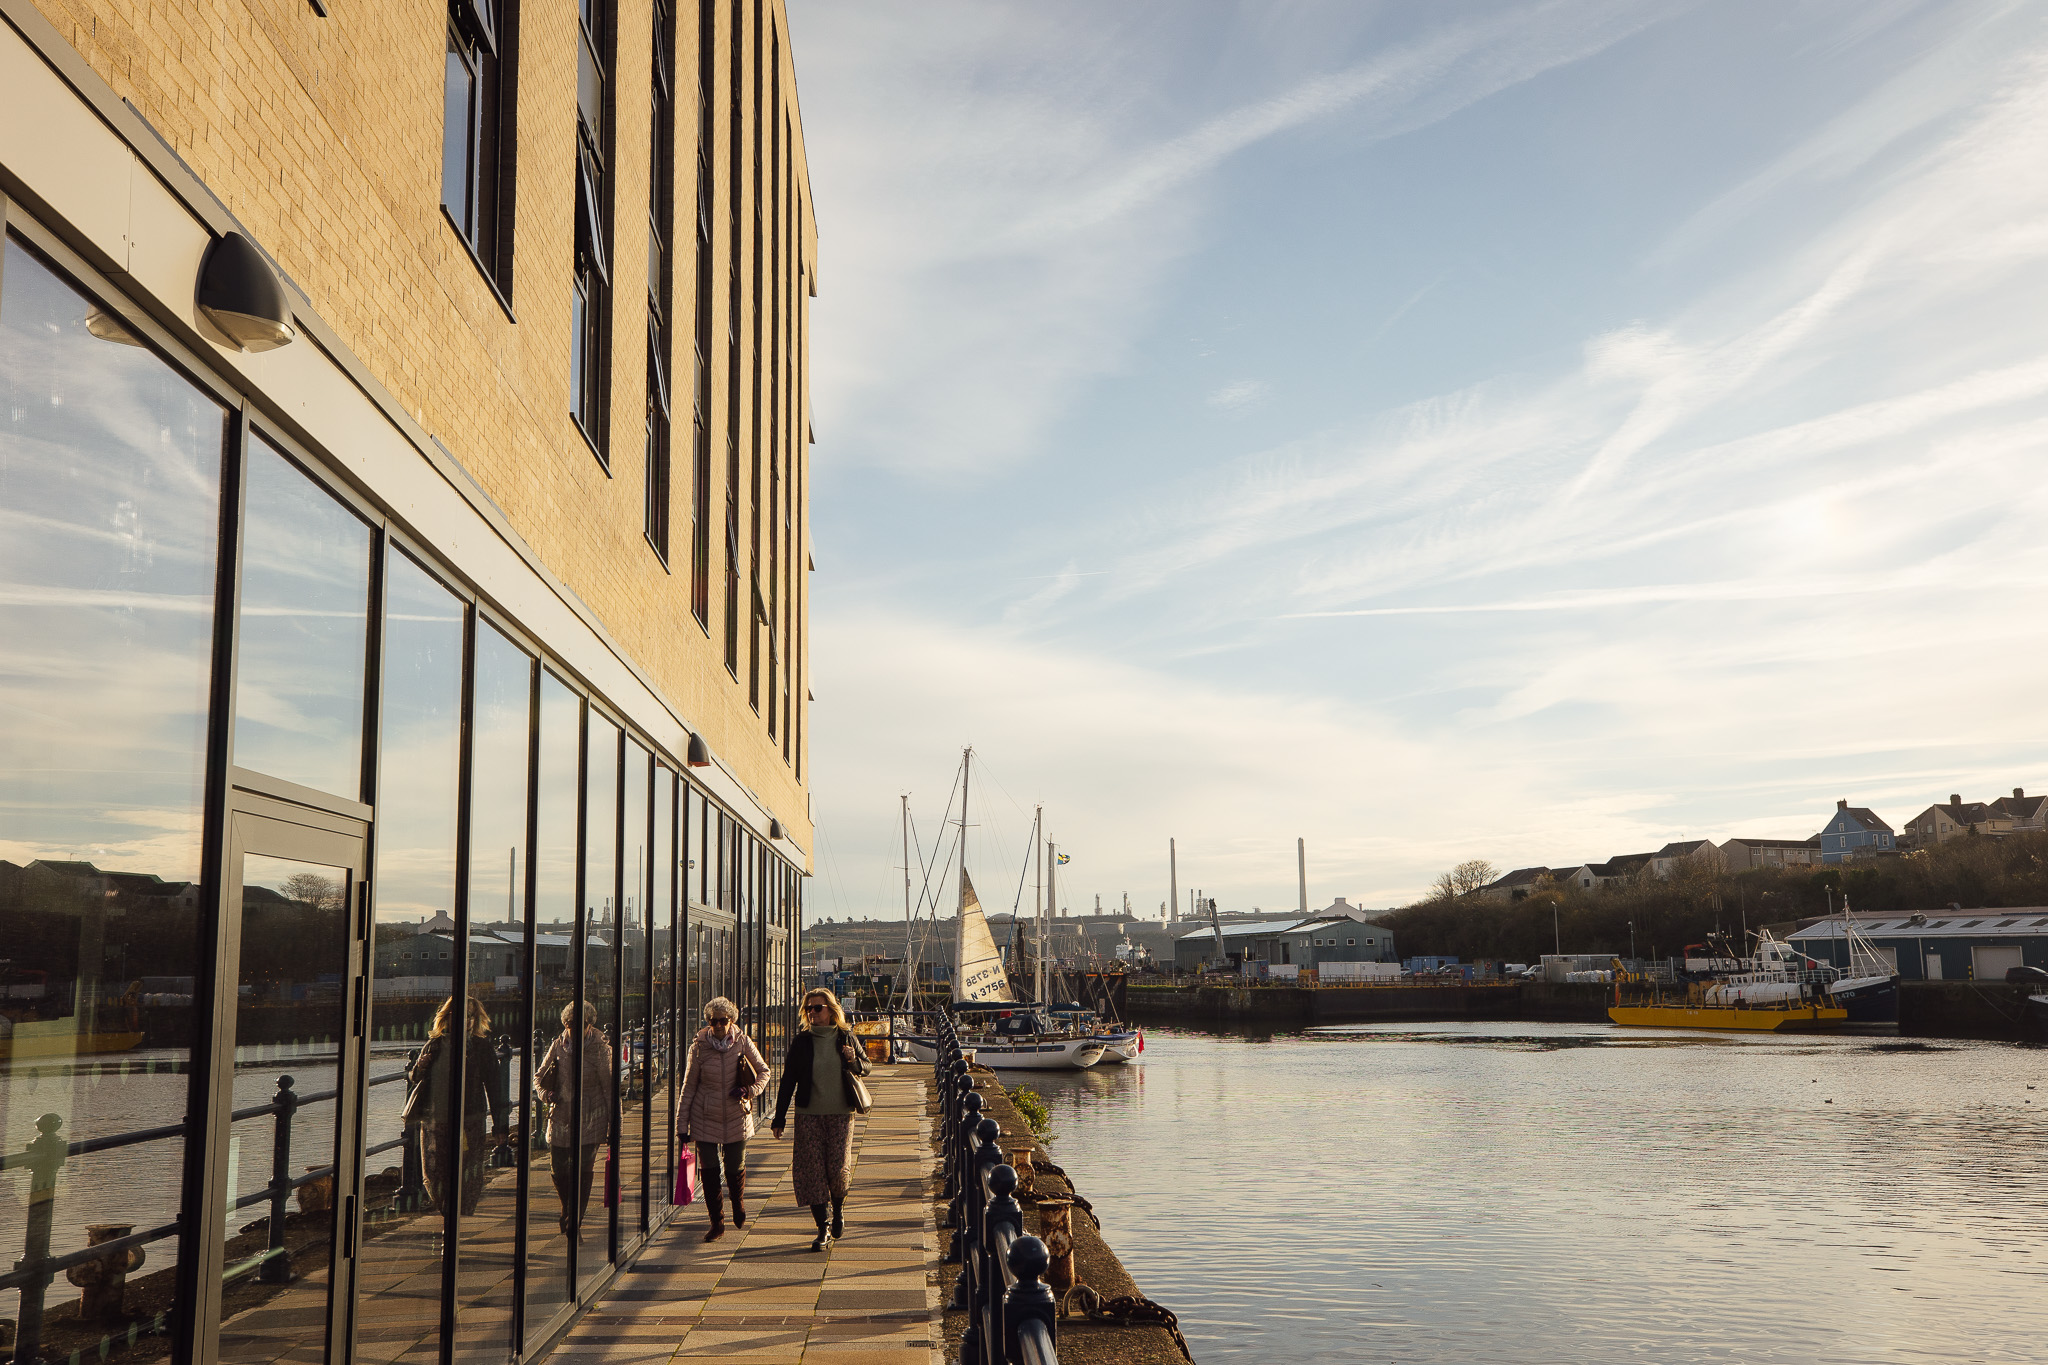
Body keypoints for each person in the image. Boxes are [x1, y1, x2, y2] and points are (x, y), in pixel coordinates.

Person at [771, 989, 869, 1251]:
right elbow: (788, 1081)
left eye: (818, 1008)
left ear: (831, 1010)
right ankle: (822, 1228)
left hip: (841, 1115)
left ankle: (838, 1210)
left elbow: (867, 1066)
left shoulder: (845, 1036)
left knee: (838, 1171)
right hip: (808, 1116)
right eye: (809, 1009)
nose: (813, 1013)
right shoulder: (802, 1041)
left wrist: (853, 1060)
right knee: (812, 1173)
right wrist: (779, 1118)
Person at [675, 996, 769, 1242]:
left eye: (722, 1021)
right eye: (712, 1021)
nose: (717, 1025)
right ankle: (717, 1222)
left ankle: (737, 1203)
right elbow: (688, 1087)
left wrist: (749, 1091)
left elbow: (764, 1072)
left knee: (734, 1167)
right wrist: (681, 1124)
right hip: (704, 1116)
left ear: (731, 1021)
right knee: (709, 1171)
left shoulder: (743, 1042)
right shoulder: (698, 1048)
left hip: (737, 1115)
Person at [410, 996, 510, 1215]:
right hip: (436, 1123)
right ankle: (448, 1213)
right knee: (433, 1173)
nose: (467, 1020)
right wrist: (420, 1067)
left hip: (469, 1122)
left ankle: (459, 1216)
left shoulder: (481, 1047)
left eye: (471, 1016)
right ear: (448, 1017)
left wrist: (500, 1126)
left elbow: (495, 1088)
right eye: (462, 1015)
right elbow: (415, 1077)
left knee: (469, 1173)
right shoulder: (435, 1044)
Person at [534, 1001, 613, 1237]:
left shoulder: (600, 1048)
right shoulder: (558, 1045)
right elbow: (538, 1077)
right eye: (570, 1023)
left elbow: (609, 1088)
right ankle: (568, 1208)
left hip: (592, 1116)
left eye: (581, 1024)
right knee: (558, 1168)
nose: (575, 1028)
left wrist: (614, 1126)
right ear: (565, 1023)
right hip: (561, 1115)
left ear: (590, 1024)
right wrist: (546, 1095)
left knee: (584, 1168)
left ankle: (575, 1219)